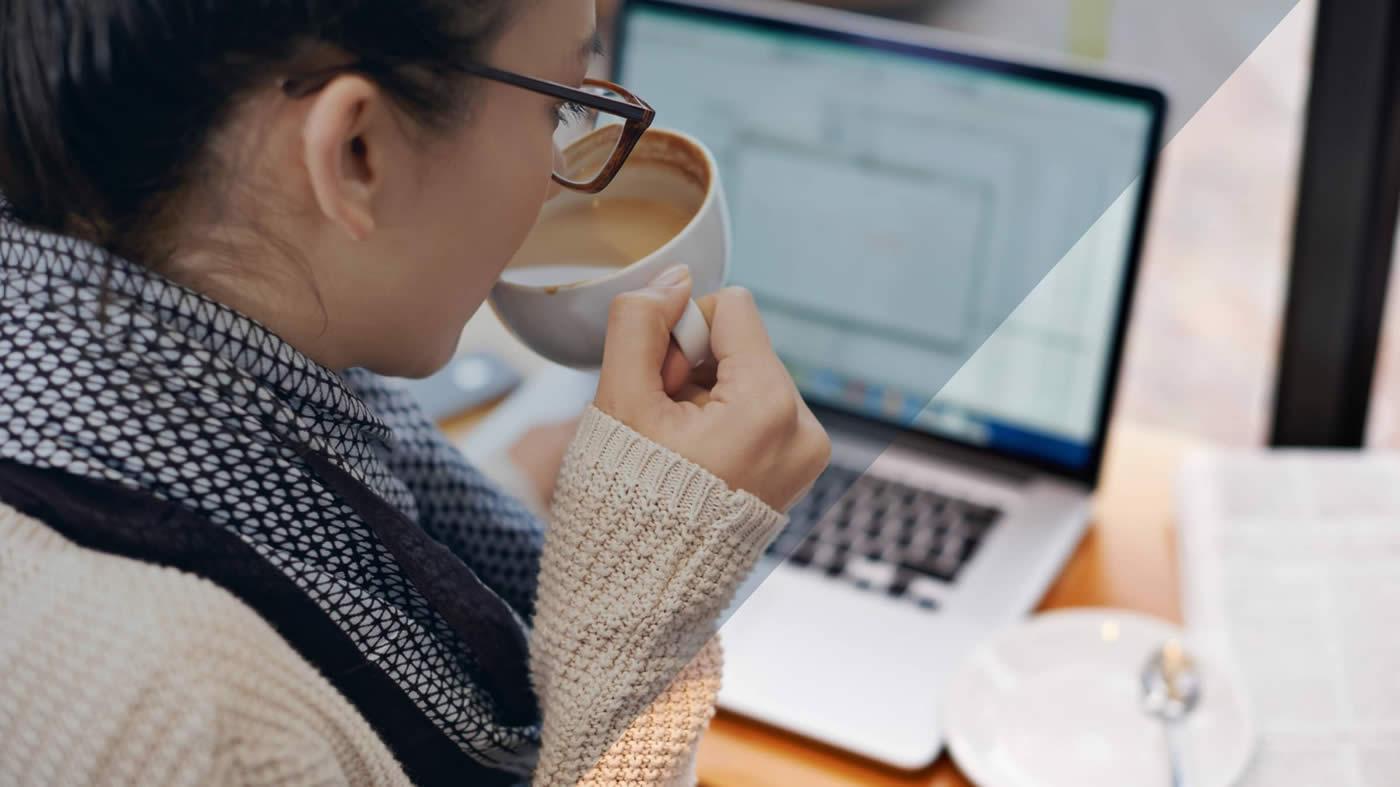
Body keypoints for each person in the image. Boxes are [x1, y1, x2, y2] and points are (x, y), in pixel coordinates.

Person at [0, 0, 830, 785]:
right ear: (357, 151)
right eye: (561, 107)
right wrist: (642, 622)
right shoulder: (200, 723)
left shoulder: (93, 368)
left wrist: (520, 481)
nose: (561, 178)